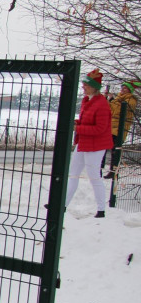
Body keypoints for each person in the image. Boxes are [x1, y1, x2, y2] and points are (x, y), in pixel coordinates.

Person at [65, 69, 113, 218]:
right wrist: (77, 123)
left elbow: (100, 128)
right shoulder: (87, 101)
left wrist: (77, 128)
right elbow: (87, 121)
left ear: (94, 87)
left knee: (93, 176)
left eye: (86, 84)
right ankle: (63, 205)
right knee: (72, 174)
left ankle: (101, 209)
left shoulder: (102, 104)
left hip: (96, 146)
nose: (83, 87)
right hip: (84, 142)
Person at [104, 80, 139, 178]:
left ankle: (114, 171)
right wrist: (107, 98)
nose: (123, 89)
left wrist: (114, 100)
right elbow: (108, 108)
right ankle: (106, 169)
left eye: (125, 88)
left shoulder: (131, 100)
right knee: (107, 148)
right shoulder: (117, 99)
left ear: (129, 90)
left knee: (115, 150)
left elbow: (123, 108)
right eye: (122, 87)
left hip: (120, 129)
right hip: (111, 127)